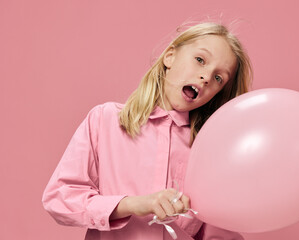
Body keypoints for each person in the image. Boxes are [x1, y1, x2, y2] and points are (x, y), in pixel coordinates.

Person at [42, 22, 253, 240]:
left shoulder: (207, 148)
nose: (206, 77)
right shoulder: (105, 120)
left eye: (219, 78)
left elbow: (217, 229)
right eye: (200, 60)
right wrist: (134, 204)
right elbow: (60, 197)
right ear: (169, 57)